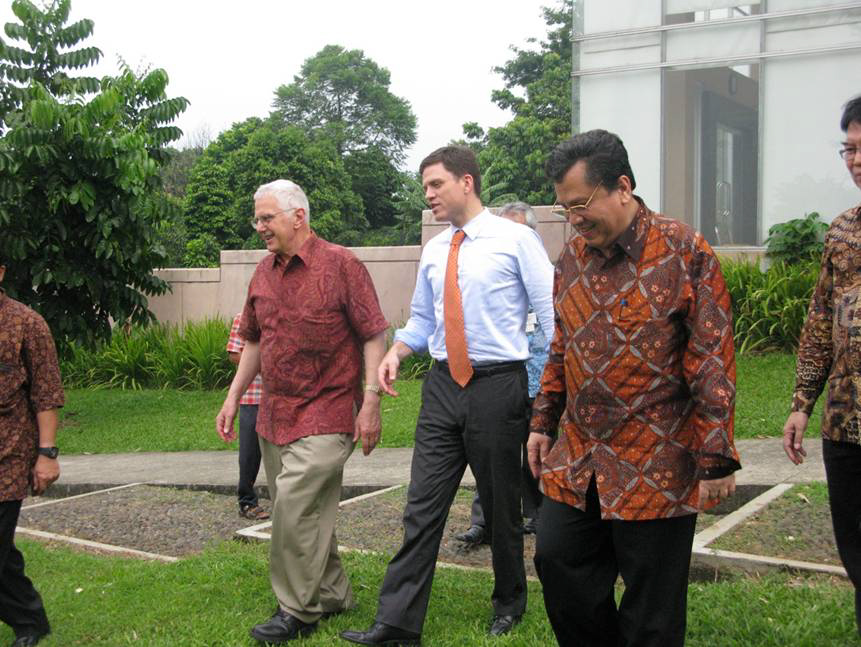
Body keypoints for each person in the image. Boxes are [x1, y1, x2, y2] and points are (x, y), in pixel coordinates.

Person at [527, 130, 740, 647]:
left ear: (622, 187)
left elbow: (711, 357)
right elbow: (561, 345)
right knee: (558, 562)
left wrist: (716, 455)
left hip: (657, 457)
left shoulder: (683, 251)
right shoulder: (571, 259)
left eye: (580, 205)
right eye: (564, 209)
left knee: (653, 609)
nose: (574, 219)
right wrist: (543, 421)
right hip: (580, 454)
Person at [340, 146, 554, 645]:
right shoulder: (436, 249)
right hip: (441, 388)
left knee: (501, 506)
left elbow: (552, 315)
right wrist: (397, 352)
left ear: (466, 182)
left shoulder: (516, 239)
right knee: (422, 504)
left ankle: (509, 603)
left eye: (435, 184)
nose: (429, 195)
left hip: (498, 385)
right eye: (425, 187)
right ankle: (397, 622)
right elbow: (422, 320)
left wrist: (551, 393)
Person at [215, 179, 388, 645]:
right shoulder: (263, 272)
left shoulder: (342, 265)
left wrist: (371, 399)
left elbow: (373, 333)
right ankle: (332, 593)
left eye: (267, 217)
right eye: (257, 218)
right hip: (275, 415)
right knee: (307, 509)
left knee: (291, 506)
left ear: (298, 217)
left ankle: (296, 610)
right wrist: (233, 397)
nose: (259, 226)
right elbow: (254, 340)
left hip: (329, 410)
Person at [783, 95, 861, 638]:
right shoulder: (842, 231)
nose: (855, 159)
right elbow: (818, 322)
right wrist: (801, 403)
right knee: (856, 555)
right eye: (848, 149)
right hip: (845, 424)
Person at [455, 201, 547, 545]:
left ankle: (539, 515)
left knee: (536, 453)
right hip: (499, 381)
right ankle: (484, 522)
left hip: (538, 381)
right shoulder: (490, 273)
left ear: (532, 234)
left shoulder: (544, 274)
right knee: (490, 454)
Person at [0, 257, 64, 647]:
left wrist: (47, 454)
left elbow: (46, 392)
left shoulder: (27, 323)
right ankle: (29, 619)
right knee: (2, 554)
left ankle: (28, 620)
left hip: (8, 457)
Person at [226, 313, 269, 521]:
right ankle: (247, 502)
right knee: (249, 455)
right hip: (251, 397)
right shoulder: (243, 318)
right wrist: (261, 363)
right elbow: (234, 353)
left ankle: (289, 503)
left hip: (281, 399)